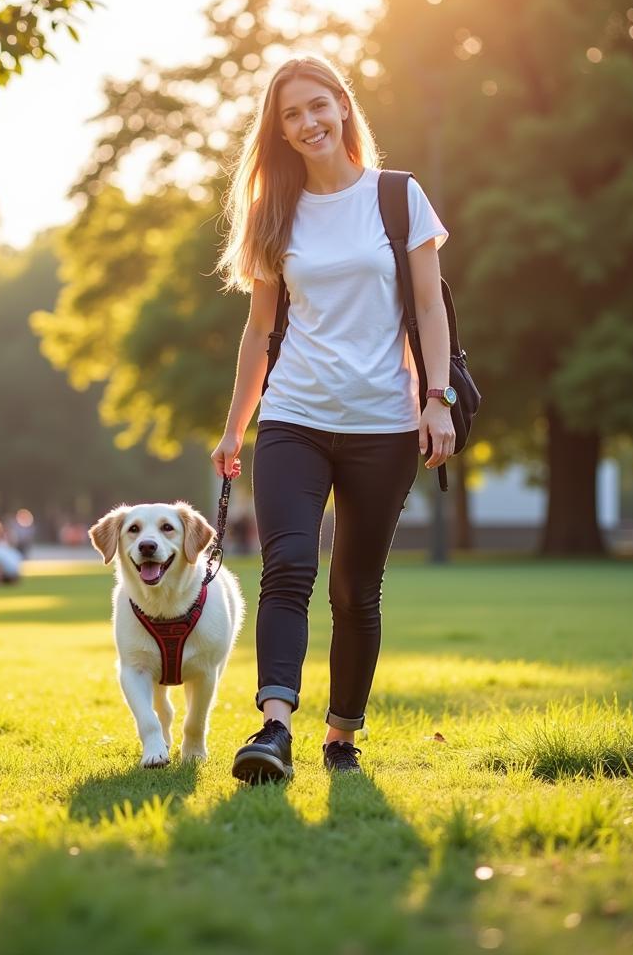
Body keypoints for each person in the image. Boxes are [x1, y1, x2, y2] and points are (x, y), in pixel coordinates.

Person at [210, 55, 455, 782]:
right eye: (291, 115)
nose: (308, 122)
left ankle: (341, 734)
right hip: (294, 417)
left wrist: (436, 399)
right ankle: (273, 728)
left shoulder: (398, 196)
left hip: (384, 422)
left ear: (343, 107)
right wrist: (233, 429)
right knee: (286, 565)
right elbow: (259, 331)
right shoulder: (273, 213)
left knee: (354, 589)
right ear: (278, 131)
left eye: (318, 106)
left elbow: (431, 305)